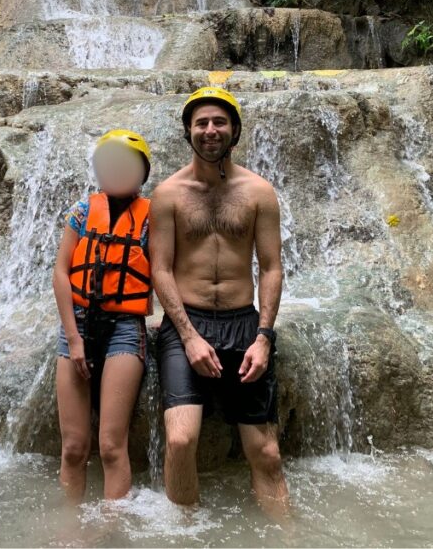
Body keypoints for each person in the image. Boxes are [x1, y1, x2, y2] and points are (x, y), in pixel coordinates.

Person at [149, 86, 290, 517]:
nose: (210, 131)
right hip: (184, 322)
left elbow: (270, 267)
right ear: (188, 132)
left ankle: (286, 538)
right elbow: (161, 270)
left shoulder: (258, 192)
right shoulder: (168, 194)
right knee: (180, 439)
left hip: (243, 324)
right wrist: (189, 337)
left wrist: (263, 337)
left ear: (235, 130)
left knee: (265, 451)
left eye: (219, 122)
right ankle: (185, 532)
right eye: (201, 123)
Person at [52, 129, 153, 501]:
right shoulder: (80, 212)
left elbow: (168, 272)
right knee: (74, 447)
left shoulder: (151, 218)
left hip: (125, 329)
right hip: (77, 326)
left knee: (111, 445)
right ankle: (70, 529)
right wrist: (74, 339)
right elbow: (61, 273)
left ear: (142, 174)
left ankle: (113, 532)